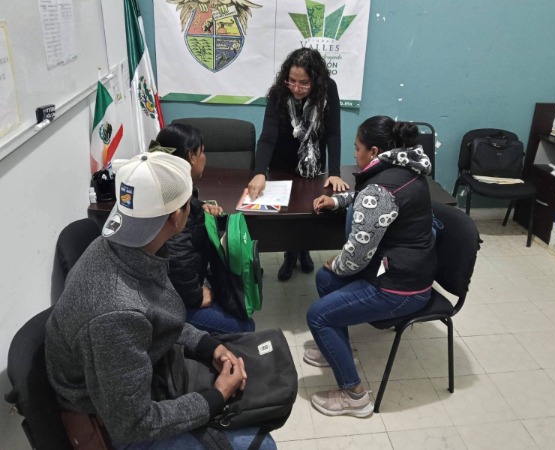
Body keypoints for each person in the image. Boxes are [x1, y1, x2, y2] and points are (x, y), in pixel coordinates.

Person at [45, 152, 275, 449]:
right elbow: (133, 423)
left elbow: (157, 315)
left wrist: (207, 345)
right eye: (190, 203)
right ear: (177, 217)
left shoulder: (126, 246)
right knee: (262, 444)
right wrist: (215, 398)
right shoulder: (116, 312)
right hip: (111, 422)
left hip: (136, 374)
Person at [304, 116, 436, 418]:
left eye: (357, 148)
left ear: (374, 151)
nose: (354, 154)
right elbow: (370, 200)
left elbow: (356, 256)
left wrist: (338, 263)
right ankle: (338, 351)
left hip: (400, 288)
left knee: (318, 316)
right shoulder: (405, 170)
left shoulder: (382, 188)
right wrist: (338, 201)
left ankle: (355, 396)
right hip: (409, 272)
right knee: (325, 279)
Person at [247, 47, 349, 281]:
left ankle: (302, 249)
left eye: (304, 83)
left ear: (316, 80)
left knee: (308, 209)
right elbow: (267, 136)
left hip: (312, 162)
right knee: (288, 212)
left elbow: (333, 133)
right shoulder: (278, 92)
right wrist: (260, 172)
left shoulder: (328, 88)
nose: (296, 88)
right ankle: (290, 254)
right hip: (282, 161)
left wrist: (334, 172)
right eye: (291, 81)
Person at [150, 123, 255, 334]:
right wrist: (197, 297)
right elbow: (178, 258)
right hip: (175, 301)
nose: (205, 158)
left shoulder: (167, 184)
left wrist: (200, 206)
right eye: (202, 152)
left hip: (171, 286)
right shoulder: (174, 205)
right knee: (245, 327)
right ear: (191, 156)